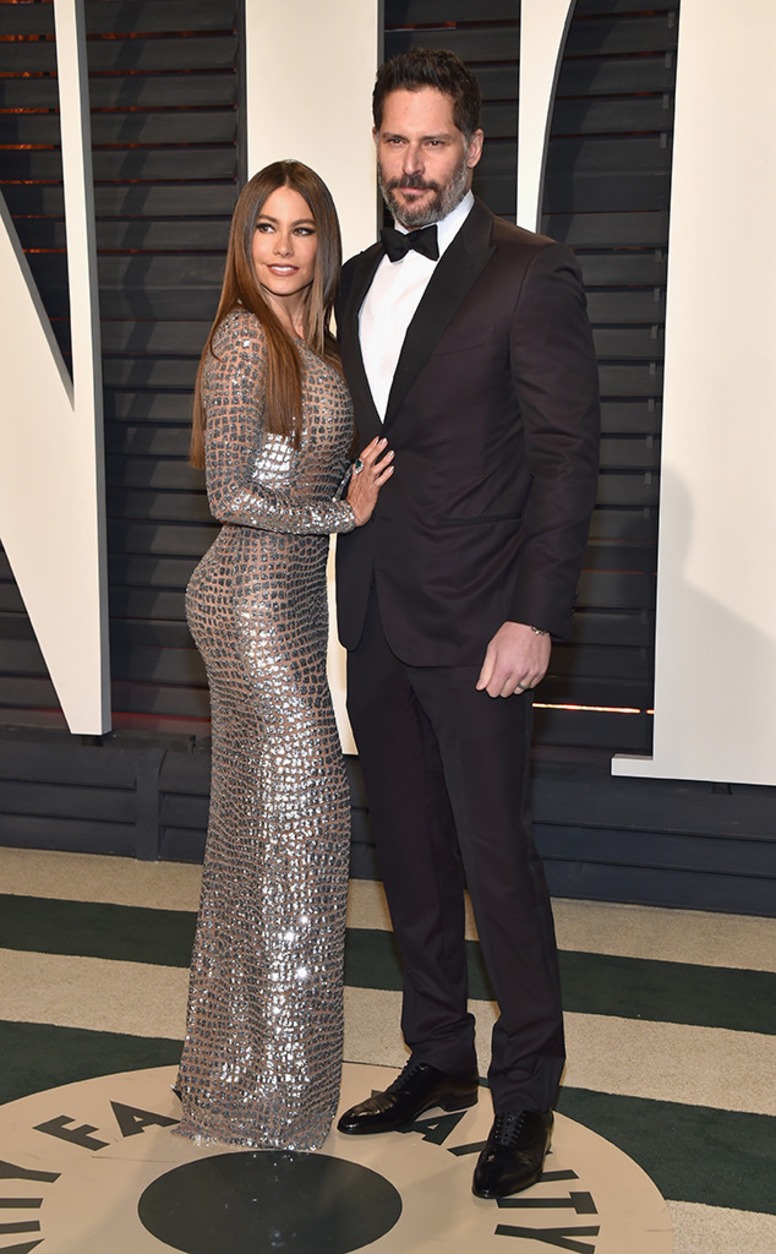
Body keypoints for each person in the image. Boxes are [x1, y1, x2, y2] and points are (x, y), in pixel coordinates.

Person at [334, 50, 600, 1199]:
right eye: (395, 139)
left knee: (495, 859)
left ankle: (524, 1089)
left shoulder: (529, 273)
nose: (411, 163)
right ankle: (437, 1051)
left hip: (482, 624)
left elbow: (565, 458)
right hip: (375, 613)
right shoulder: (352, 279)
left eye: (432, 140)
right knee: (405, 852)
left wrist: (532, 619)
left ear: (474, 148)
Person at [175, 160, 393, 1151]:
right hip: (248, 603)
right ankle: (273, 1095)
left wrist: (340, 494)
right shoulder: (241, 340)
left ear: (322, 244)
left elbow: (289, 464)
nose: (282, 246)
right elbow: (230, 494)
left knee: (254, 842)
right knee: (307, 829)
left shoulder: (316, 344)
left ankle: (240, 1080)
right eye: (266, 226)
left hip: (291, 605)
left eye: (301, 229)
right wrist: (343, 513)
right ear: (244, 239)